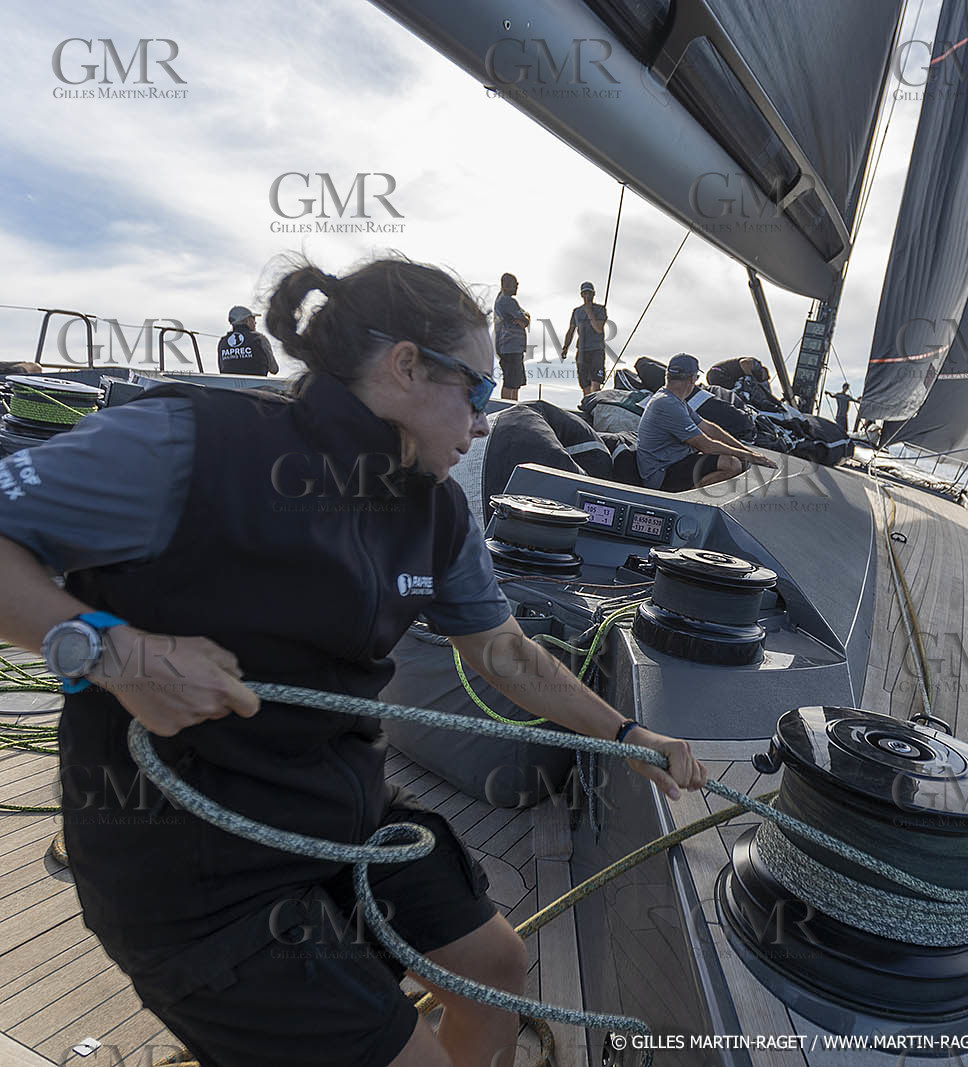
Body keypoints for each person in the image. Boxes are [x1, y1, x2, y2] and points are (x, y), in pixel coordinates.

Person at [0, 255, 707, 1067]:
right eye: (478, 390)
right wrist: (111, 651)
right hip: (189, 861)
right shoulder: (188, 442)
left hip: (336, 810)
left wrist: (628, 733)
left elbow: (504, 651)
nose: (485, 421)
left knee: (497, 966)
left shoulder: (438, 512)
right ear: (405, 366)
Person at [635, 353, 775, 491]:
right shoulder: (667, 404)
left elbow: (709, 428)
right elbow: (706, 445)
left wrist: (747, 451)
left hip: (675, 461)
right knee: (731, 464)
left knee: (736, 458)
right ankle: (690, 499)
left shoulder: (673, 399)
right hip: (661, 473)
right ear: (692, 379)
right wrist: (750, 456)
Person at [559, 281, 607, 397]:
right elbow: (571, 330)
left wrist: (589, 312)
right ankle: (587, 404)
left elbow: (599, 329)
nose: (587, 296)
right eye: (585, 293)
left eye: (589, 293)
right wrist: (565, 347)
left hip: (596, 349)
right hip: (582, 351)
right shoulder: (576, 312)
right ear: (581, 295)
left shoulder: (600, 309)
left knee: (596, 381)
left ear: (593, 294)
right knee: (584, 383)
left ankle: (595, 403)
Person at [492, 273, 530, 402]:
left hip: (508, 347)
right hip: (511, 347)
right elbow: (525, 321)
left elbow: (523, 318)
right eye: (515, 284)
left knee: (514, 382)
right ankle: (508, 407)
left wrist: (524, 317)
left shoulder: (500, 300)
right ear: (506, 285)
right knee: (510, 382)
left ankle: (512, 405)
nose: (517, 287)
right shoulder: (508, 301)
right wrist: (525, 317)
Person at [216, 306, 279, 376]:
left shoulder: (223, 342)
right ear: (247, 320)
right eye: (253, 319)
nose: (255, 322)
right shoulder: (259, 339)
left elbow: (222, 370)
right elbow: (274, 369)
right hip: (257, 382)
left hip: (228, 383)